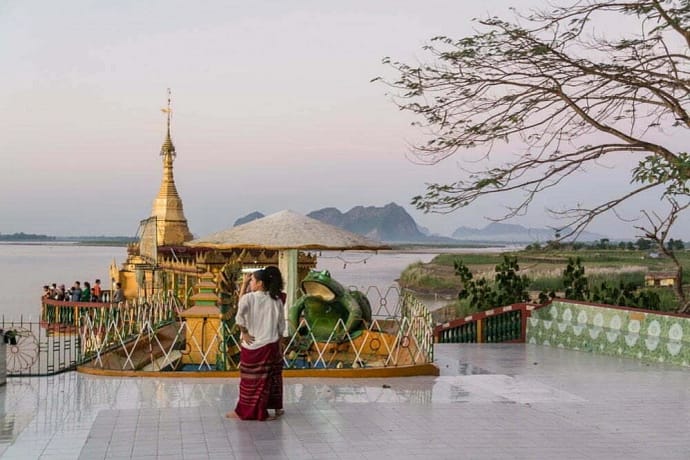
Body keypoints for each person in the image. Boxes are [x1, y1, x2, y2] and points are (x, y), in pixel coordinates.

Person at [228, 266, 285, 421]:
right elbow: (281, 326)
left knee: (248, 382)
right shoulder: (276, 300)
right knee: (263, 383)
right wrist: (280, 344)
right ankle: (262, 412)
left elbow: (239, 317)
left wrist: (244, 332)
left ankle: (244, 411)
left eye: (252, 280)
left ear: (259, 283)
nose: (250, 282)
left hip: (251, 346)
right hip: (269, 345)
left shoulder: (248, 298)